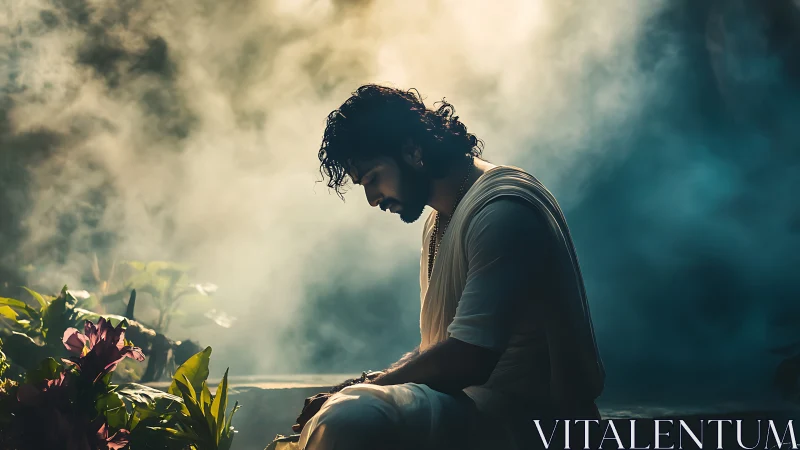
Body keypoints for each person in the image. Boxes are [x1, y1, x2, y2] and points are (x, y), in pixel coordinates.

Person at [293, 84, 605, 450]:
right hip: (472, 410)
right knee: (347, 406)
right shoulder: (440, 220)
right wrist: (353, 386)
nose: (372, 198)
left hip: (526, 425)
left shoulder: (501, 209)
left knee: (350, 416)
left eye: (373, 177)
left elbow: (469, 359)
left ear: (412, 150)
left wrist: (361, 394)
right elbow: (440, 348)